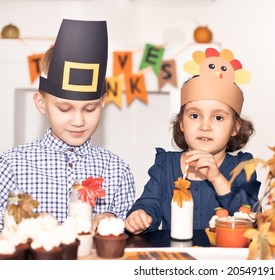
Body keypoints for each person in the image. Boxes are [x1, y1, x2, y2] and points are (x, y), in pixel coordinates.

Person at [0, 19, 136, 232]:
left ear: (102, 102)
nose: (79, 121)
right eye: (64, 109)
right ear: (41, 103)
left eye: (90, 109)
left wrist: (112, 222)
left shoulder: (117, 170)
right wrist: (24, 225)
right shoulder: (11, 166)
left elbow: (130, 235)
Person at [125, 47, 261, 234]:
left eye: (218, 118)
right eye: (195, 115)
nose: (205, 126)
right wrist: (140, 216)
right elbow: (150, 204)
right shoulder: (165, 166)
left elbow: (250, 218)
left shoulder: (242, 168)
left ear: (235, 127)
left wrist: (216, 178)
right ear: (181, 123)